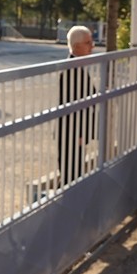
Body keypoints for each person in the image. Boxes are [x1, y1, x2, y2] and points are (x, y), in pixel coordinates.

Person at [58, 25, 96, 185]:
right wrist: (80, 134)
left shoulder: (78, 67)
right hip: (72, 134)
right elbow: (72, 106)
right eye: (88, 42)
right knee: (71, 176)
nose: (92, 46)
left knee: (75, 174)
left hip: (76, 133)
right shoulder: (71, 70)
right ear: (77, 46)